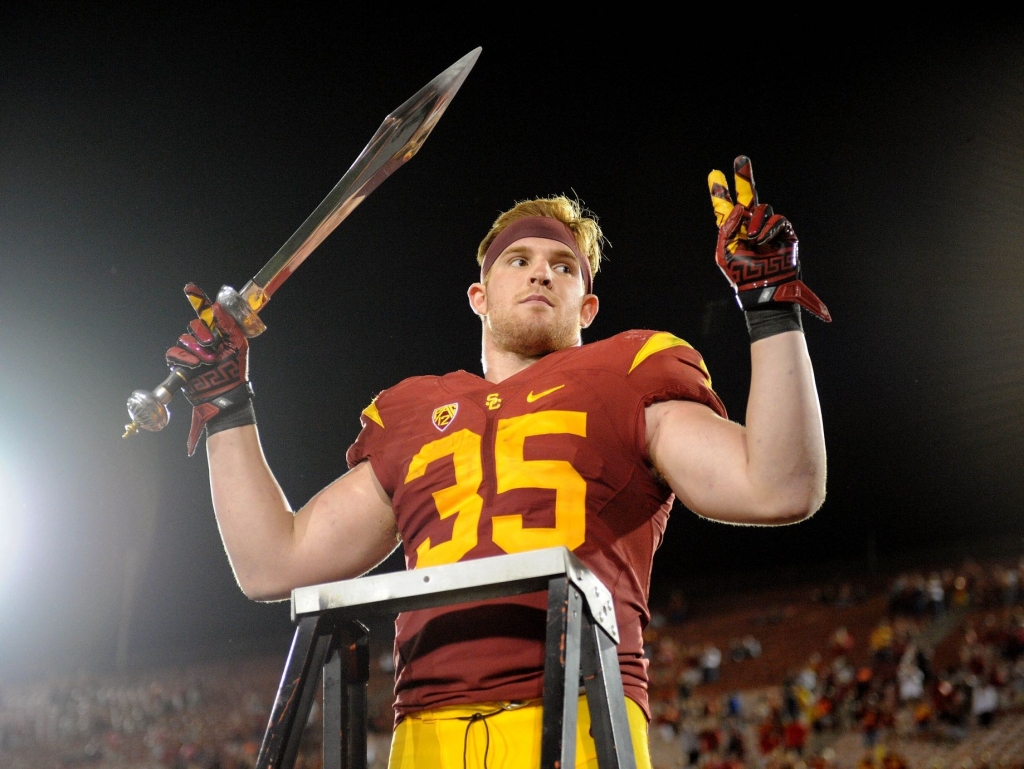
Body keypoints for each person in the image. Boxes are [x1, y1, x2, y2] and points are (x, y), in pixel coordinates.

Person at [164, 156, 829, 768]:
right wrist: (226, 406)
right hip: (422, 728)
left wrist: (771, 308)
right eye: (519, 259)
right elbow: (271, 562)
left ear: (587, 307)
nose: (542, 271)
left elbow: (778, 486)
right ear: (479, 296)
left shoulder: (629, 369)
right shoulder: (409, 410)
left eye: (564, 266)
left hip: (577, 712)